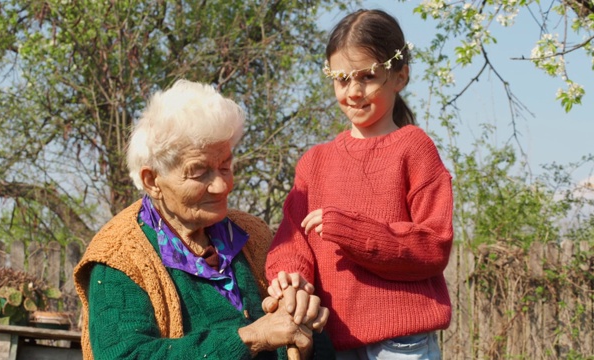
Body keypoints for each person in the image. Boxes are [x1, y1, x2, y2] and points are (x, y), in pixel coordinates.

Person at [74, 79, 334, 360]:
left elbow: (293, 341)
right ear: (152, 180)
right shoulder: (119, 256)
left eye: (225, 167)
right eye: (199, 173)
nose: (221, 186)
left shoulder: (252, 234)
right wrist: (251, 337)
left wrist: (304, 333)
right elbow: (125, 356)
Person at [265, 9, 454, 360]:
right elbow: (291, 241)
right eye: (341, 79)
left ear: (400, 76)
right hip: (332, 339)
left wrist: (350, 231)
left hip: (402, 342)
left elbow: (433, 246)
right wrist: (290, 276)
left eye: (367, 77)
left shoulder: (414, 147)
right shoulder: (314, 162)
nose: (353, 92)